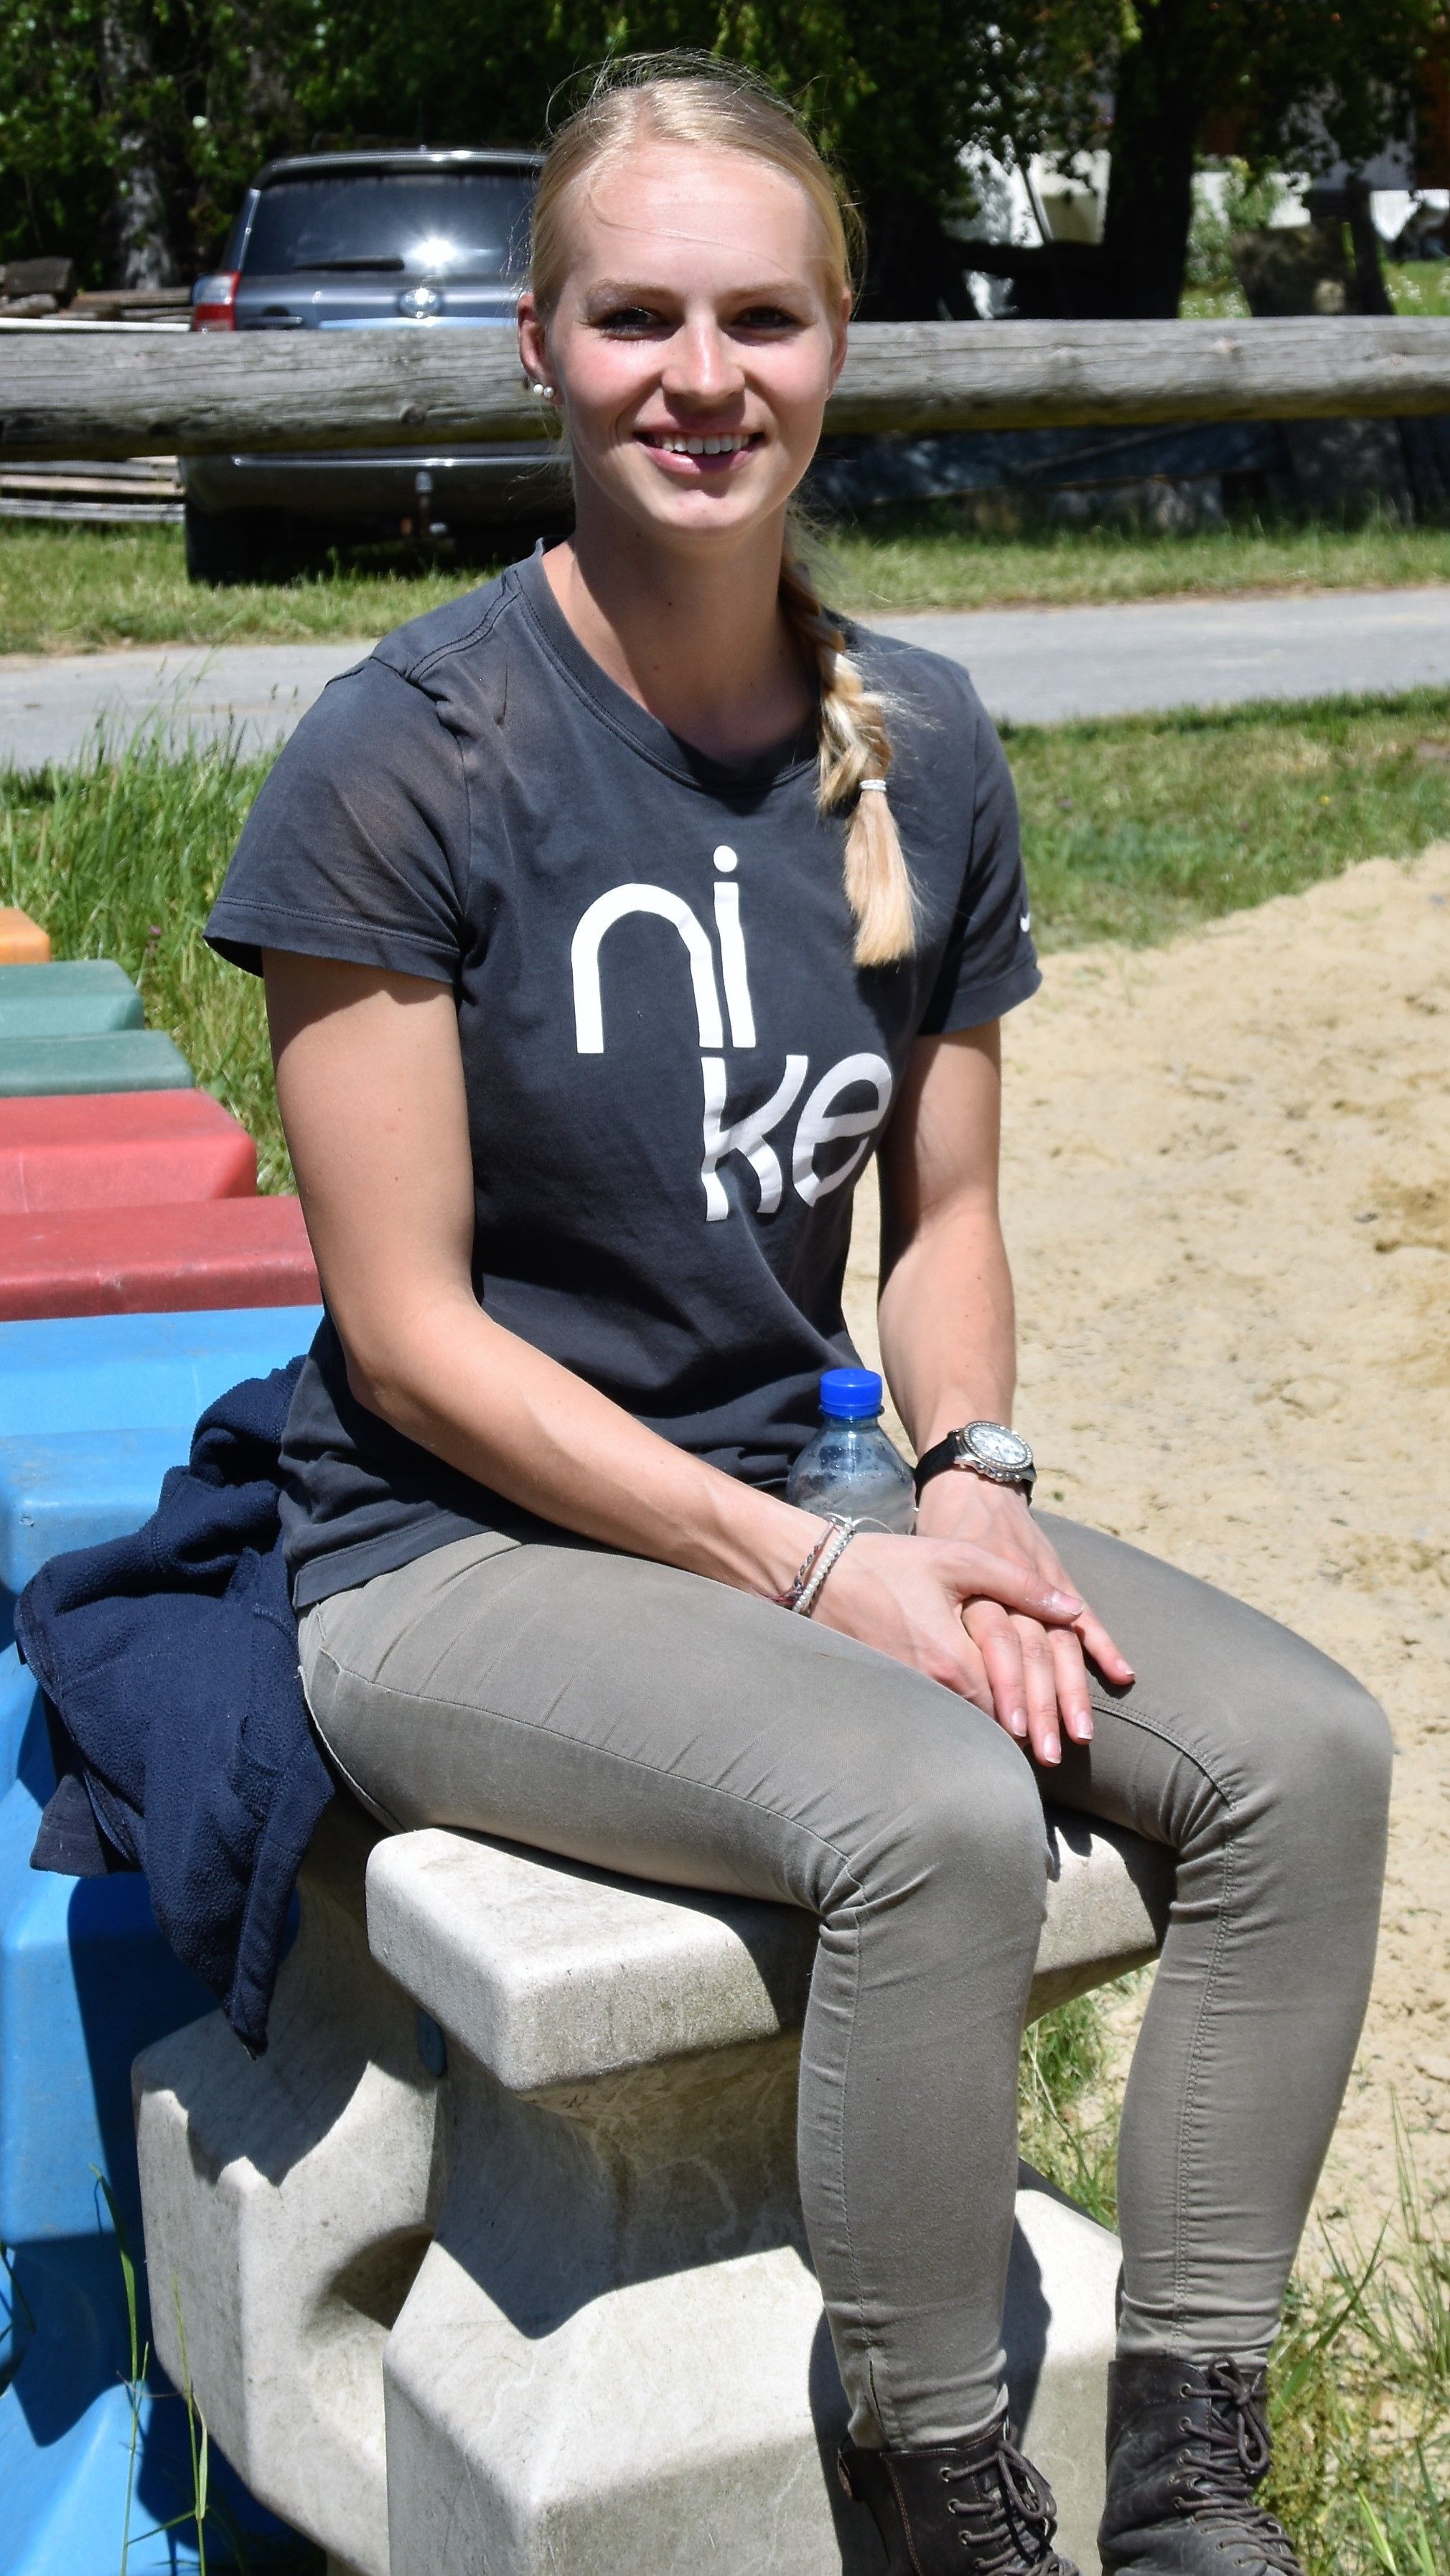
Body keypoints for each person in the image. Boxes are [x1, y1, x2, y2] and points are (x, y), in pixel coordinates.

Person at [204, 59, 1391, 2576]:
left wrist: (968, 1480)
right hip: (446, 1550)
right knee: (928, 1809)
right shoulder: (408, 754)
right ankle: (935, 2479)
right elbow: (407, 1340)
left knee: (1300, 1759)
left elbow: (941, 1222)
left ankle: (1187, 2476)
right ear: (538, 343)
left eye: (760, 317)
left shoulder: (919, 743)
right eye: (635, 315)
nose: (699, 375)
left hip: (806, 1473)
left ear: (839, 342)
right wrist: (828, 1577)